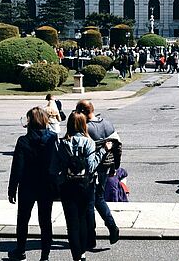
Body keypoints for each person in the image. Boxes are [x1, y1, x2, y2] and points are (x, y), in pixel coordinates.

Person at [7, 107, 58, 261]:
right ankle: (45, 255)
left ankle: (21, 250)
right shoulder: (52, 138)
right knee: (45, 220)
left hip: (27, 184)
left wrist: (12, 188)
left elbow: (17, 166)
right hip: (46, 184)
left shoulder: (23, 140)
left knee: (23, 219)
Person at [75, 100, 121, 246]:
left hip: (92, 168)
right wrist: (115, 167)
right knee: (99, 198)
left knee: (89, 202)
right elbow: (117, 147)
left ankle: (91, 236)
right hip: (106, 167)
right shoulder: (108, 124)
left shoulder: (86, 128)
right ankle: (112, 226)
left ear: (82, 112)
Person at [58, 112, 99, 261]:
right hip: (84, 185)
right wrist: (103, 152)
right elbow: (91, 166)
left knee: (72, 223)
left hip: (67, 185)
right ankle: (82, 252)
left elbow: (57, 166)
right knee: (83, 219)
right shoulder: (89, 142)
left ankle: (76, 255)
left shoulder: (62, 143)